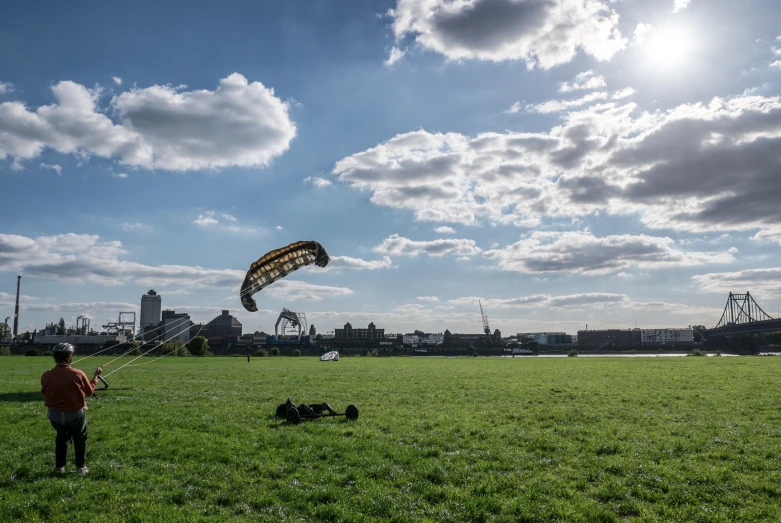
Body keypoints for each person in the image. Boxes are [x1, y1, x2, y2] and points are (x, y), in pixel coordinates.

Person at [40, 343, 102, 474]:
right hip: (74, 414)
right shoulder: (77, 373)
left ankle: (59, 467)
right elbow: (89, 391)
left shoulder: (46, 374)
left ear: (55, 358)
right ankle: (80, 467)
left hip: (54, 415)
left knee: (61, 437)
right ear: (69, 358)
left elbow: (44, 392)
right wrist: (95, 377)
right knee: (80, 437)